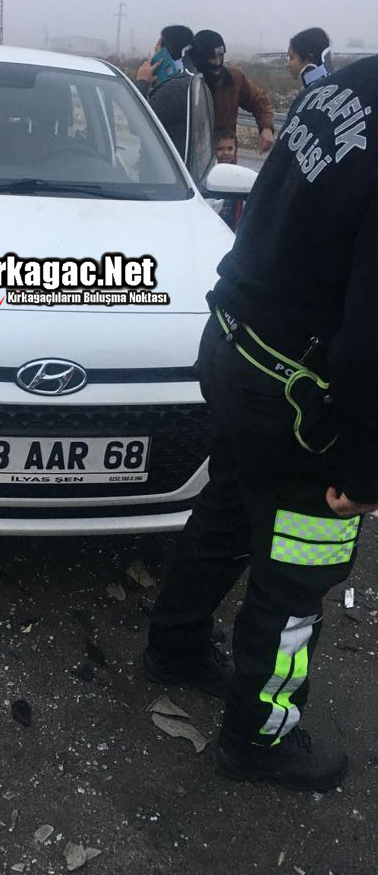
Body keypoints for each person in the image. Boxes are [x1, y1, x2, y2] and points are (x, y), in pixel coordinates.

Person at [143, 53, 378, 791]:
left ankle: (175, 646)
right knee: (298, 575)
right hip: (302, 397)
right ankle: (258, 737)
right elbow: (372, 339)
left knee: (225, 509)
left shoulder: (352, 83)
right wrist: (367, 467)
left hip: (238, 343)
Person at [191, 30, 275, 153]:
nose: (217, 62)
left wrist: (266, 128)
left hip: (226, 154)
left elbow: (259, 101)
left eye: (220, 56)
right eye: (212, 58)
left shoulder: (234, 78)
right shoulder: (189, 84)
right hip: (196, 156)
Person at [135, 25, 194, 158]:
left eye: (157, 48)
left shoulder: (172, 90)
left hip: (162, 166)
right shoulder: (194, 79)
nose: (155, 52)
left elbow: (137, 125)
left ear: (164, 53)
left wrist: (142, 82)